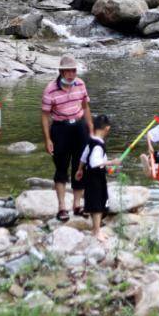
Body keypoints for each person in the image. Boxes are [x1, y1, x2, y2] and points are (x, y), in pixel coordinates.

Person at [41, 55, 93, 222]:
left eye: (74, 70)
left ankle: (77, 205)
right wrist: (48, 139)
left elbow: (85, 106)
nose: (71, 74)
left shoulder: (80, 84)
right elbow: (45, 116)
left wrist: (90, 127)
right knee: (61, 168)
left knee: (80, 166)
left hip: (79, 126)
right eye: (68, 71)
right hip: (60, 128)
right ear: (61, 72)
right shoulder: (50, 89)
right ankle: (62, 207)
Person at [74, 114, 120, 242]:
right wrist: (111, 162)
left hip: (90, 175)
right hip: (96, 178)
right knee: (98, 204)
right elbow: (95, 162)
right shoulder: (99, 145)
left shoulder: (92, 140)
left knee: (95, 202)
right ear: (107, 129)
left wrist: (79, 169)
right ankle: (97, 231)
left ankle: (95, 229)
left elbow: (84, 157)